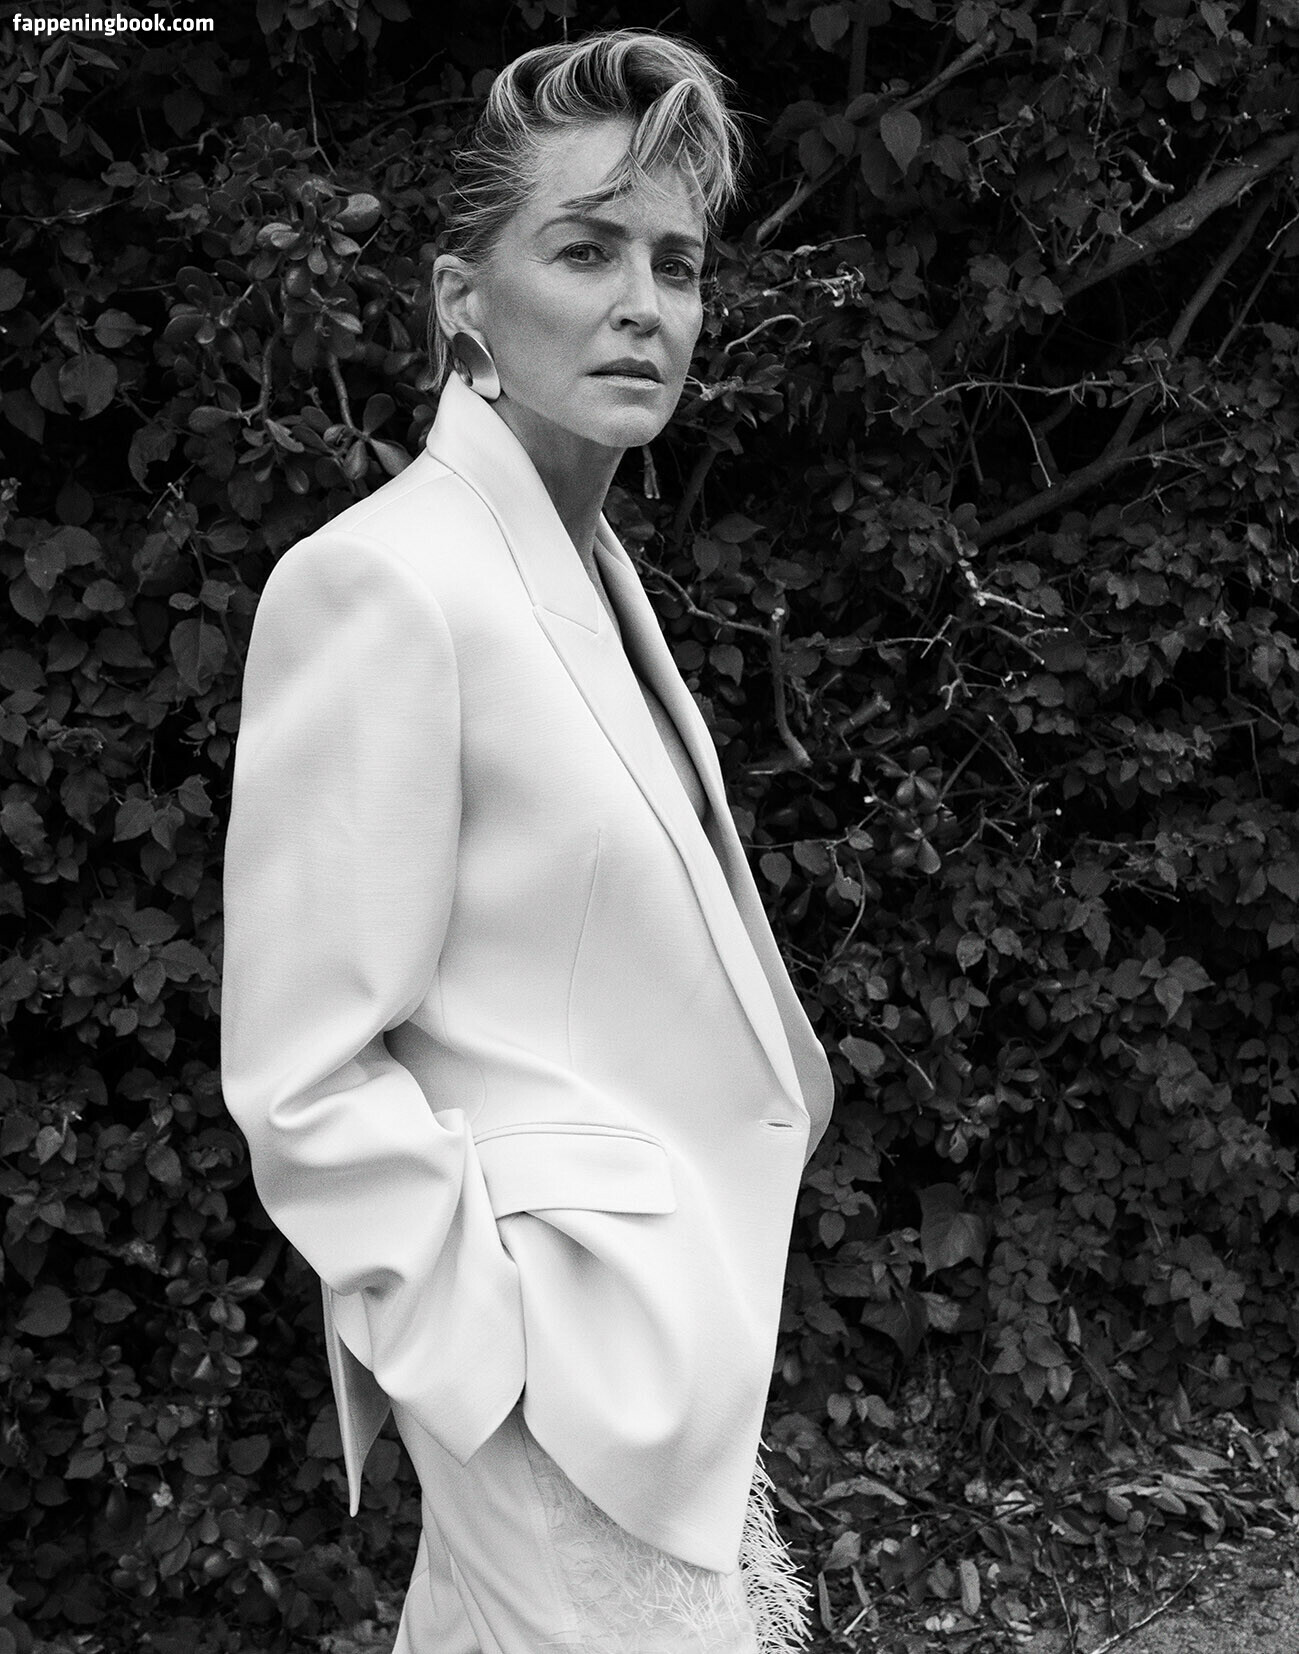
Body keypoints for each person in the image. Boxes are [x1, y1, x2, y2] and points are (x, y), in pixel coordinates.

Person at [220, 27, 834, 1654]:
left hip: (654, 1369)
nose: (644, 302)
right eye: (584, 250)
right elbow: (302, 1068)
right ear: (462, 300)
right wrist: (487, 1364)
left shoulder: (584, 566)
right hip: (558, 1397)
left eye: (675, 264)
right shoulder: (384, 582)